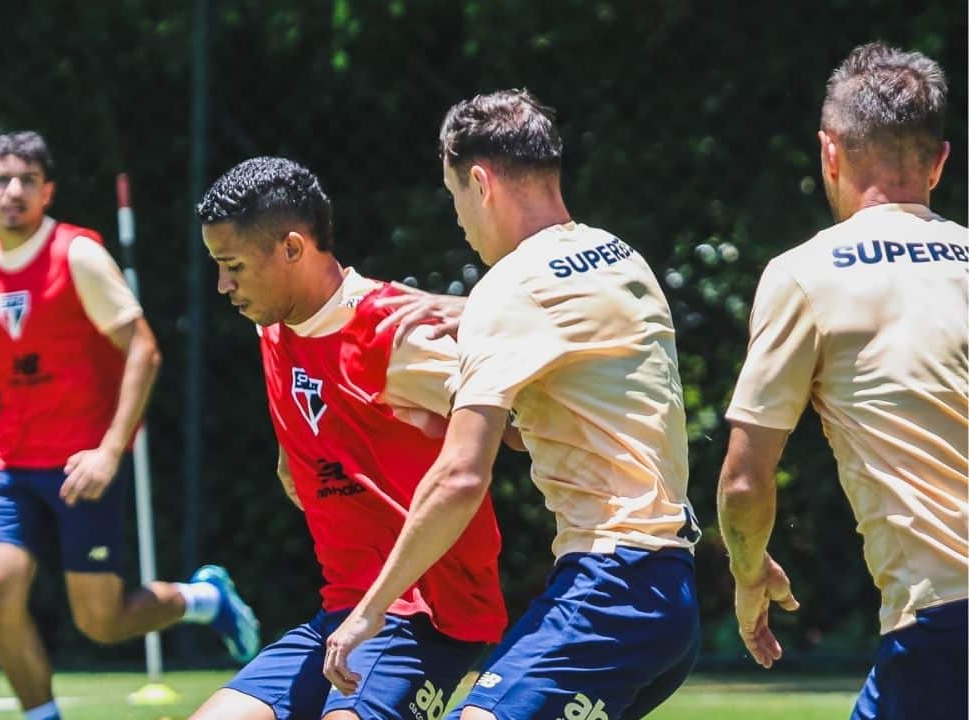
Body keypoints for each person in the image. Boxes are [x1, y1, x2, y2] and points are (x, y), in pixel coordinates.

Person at [323, 89, 702, 720]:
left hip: (608, 588)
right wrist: (473, 321)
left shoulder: (510, 288)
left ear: (480, 182)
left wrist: (370, 610)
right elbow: (580, 366)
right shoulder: (618, 257)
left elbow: (460, 477)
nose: (460, 221)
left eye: (454, 199)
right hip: (670, 594)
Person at [0, 131, 259, 720]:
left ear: (47, 191)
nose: (14, 191)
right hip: (8, 463)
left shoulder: (77, 256)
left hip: (80, 464)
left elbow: (144, 349)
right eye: (3, 180)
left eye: (28, 180)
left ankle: (205, 599)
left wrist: (110, 451)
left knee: (101, 621)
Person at [190, 156, 508, 720]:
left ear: (291, 249)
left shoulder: (396, 333)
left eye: (233, 264)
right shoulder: (273, 329)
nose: (222, 284)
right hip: (345, 610)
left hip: (427, 613)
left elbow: (519, 429)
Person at [717, 42, 967, 720]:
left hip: (946, 619)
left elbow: (744, 479)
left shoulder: (807, 274)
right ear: (940, 162)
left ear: (830, 152)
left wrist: (748, 573)